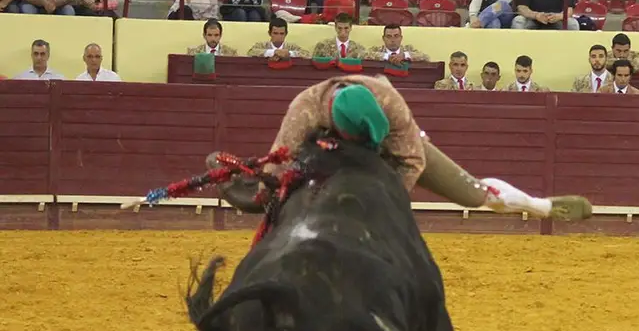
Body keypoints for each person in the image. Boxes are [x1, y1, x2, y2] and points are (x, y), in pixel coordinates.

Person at [216, 75, 592, 222]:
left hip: (394, 153)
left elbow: (410, 162)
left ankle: (539, 205)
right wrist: (263, 191)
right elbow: (279, 161)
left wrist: (386, 203)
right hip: (331, 154)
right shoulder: (304, 110)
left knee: (473, 194)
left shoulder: (390, 104)